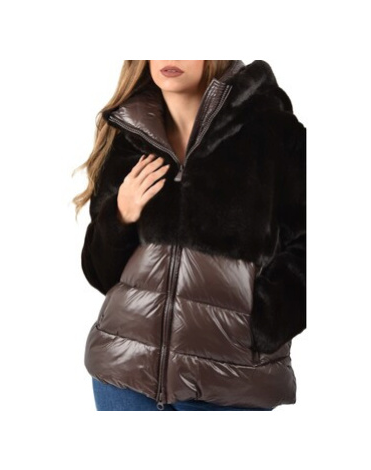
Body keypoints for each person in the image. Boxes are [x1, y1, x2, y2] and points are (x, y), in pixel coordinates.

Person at [73, 60, 306, 411]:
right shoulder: (129, 134)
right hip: (122, 374)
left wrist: (265, 326)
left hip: (228, 379)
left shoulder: (270, 130)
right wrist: (120, 215)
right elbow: (100, 273)